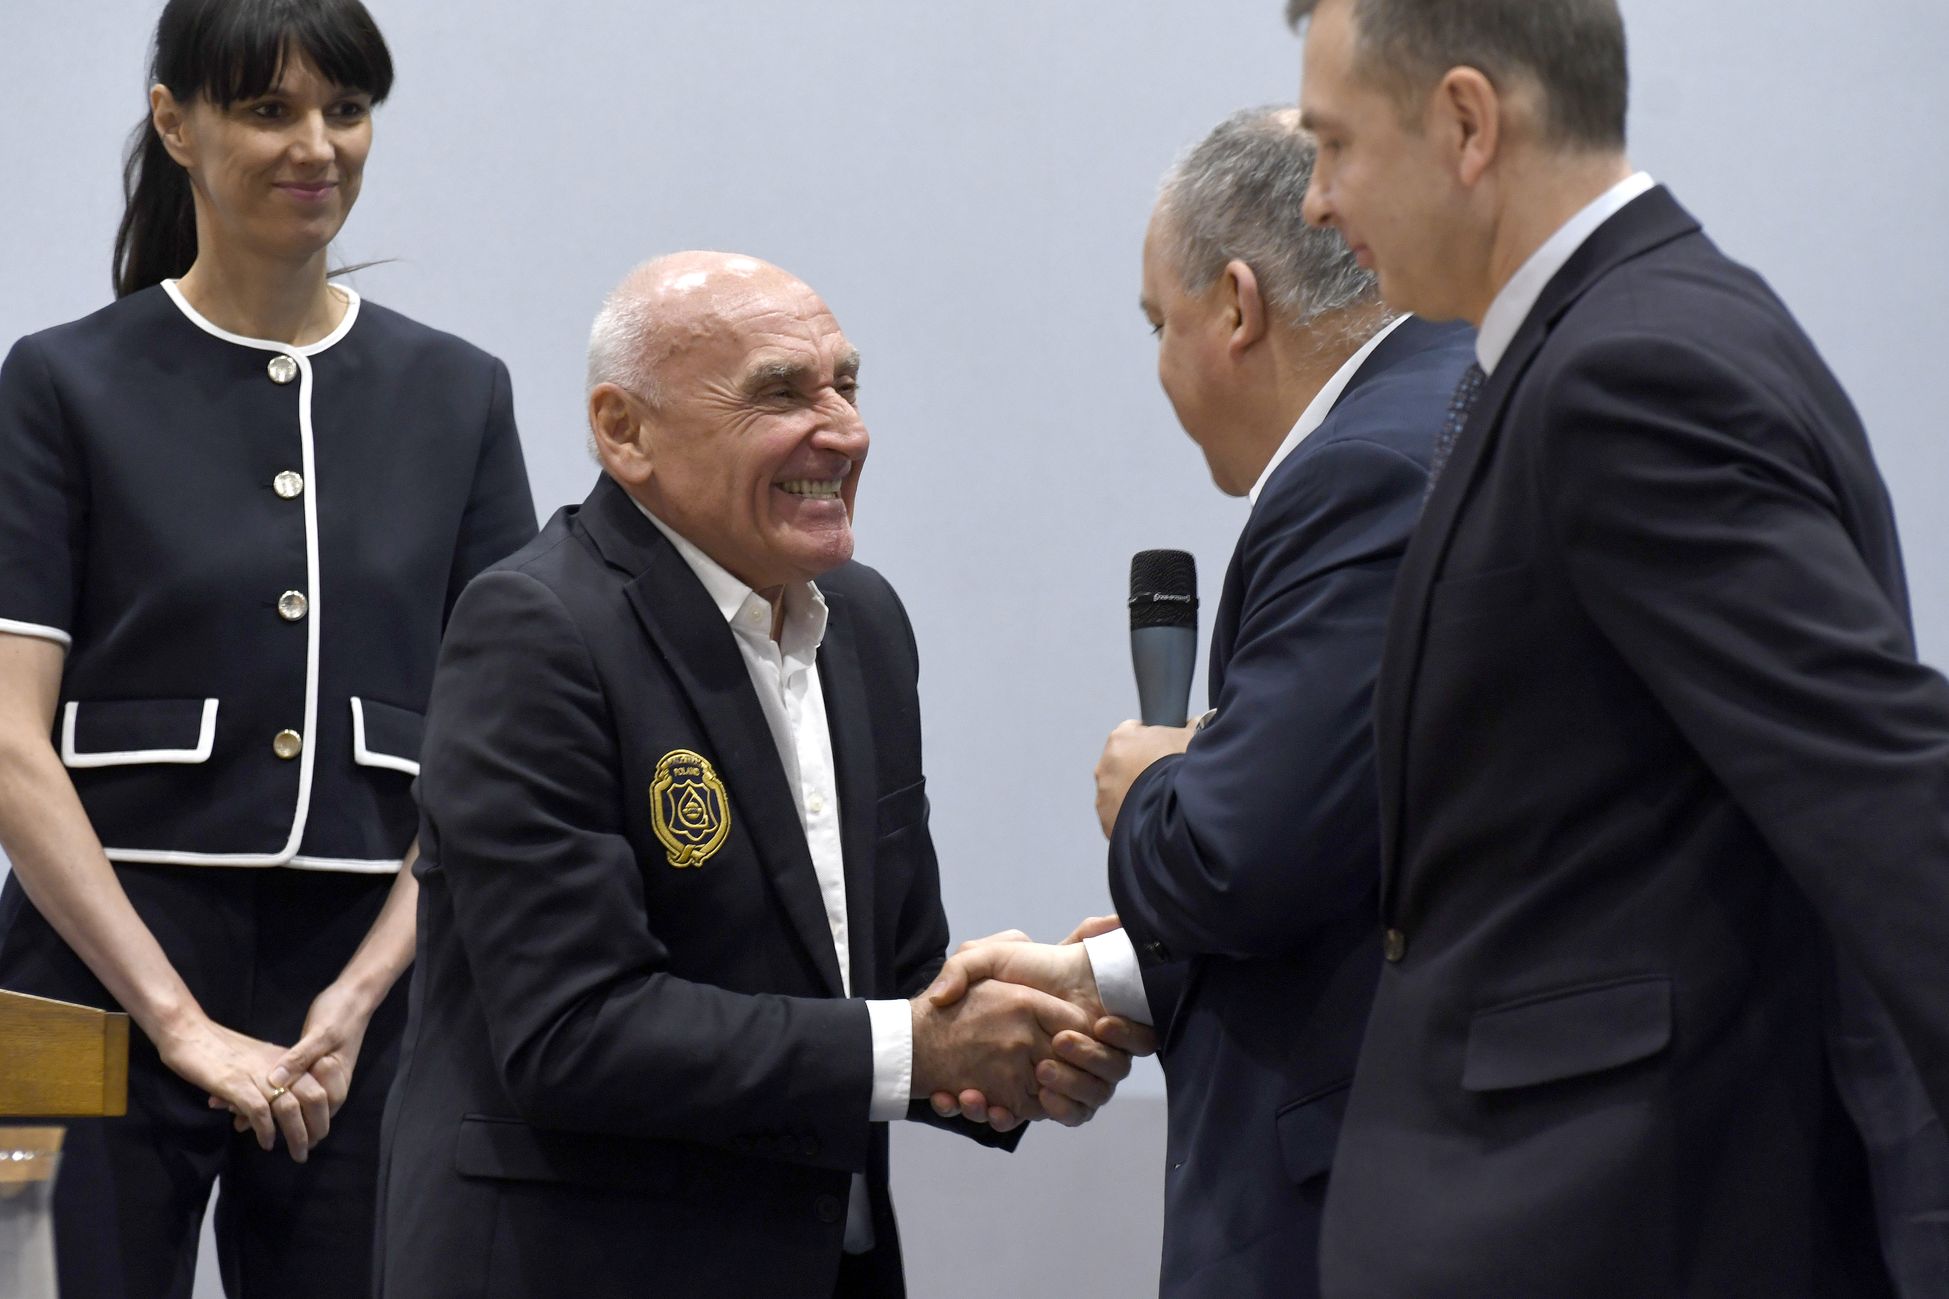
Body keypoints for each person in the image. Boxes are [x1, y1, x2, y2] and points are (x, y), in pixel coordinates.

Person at [1286, 0, 1949, 1295]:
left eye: (1334, 144)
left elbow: (1883, 793)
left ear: (1466, 123)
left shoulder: (1628, 370)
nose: (1315, 199)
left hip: (1612, 1225)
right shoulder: (1612, 336)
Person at [374, 252, 1147, 1299]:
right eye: (781, 393)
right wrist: (926, 1048)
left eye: (846, 385)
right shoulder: (536, 629)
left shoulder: (864, 623)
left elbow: (886, 980)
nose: (843, 431)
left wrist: (1036, 1032)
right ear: (623, 430)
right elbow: (573, 1033)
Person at [0, 1, 537, 1296]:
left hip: (367, 985)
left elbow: (502, 749)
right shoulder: (60, 382)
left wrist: (357, 998)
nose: (317, 145)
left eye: (345, 110)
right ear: (175, 123)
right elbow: (9, 741)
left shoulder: (460, 394)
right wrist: (177, 1021)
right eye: (267, 109)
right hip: (80, 970)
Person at [927, 108, 1473, 1297]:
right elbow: (1364, 857)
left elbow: (1241, 861)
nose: (1160, 367)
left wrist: (1151, 790)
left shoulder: (1365, 468)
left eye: (1156, 324)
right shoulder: (1448, 410)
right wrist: (1113, 977)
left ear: (1234, 306)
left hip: (1366, 1199)